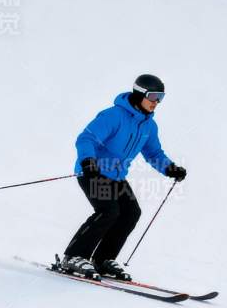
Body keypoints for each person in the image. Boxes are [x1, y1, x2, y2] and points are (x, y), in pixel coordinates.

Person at [58, 74, 187, 280]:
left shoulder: (148, 126)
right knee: (108, 211)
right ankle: (73, 257)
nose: (157, 102)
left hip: (116, 177)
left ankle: (103, 260)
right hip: (93, 171)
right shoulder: (114, 116)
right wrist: (87, 160)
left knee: (130, 213)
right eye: (153, 96)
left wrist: (170, 168)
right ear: (139, 93)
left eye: (161, 97)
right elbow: (86, 138)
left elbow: (154, 154)